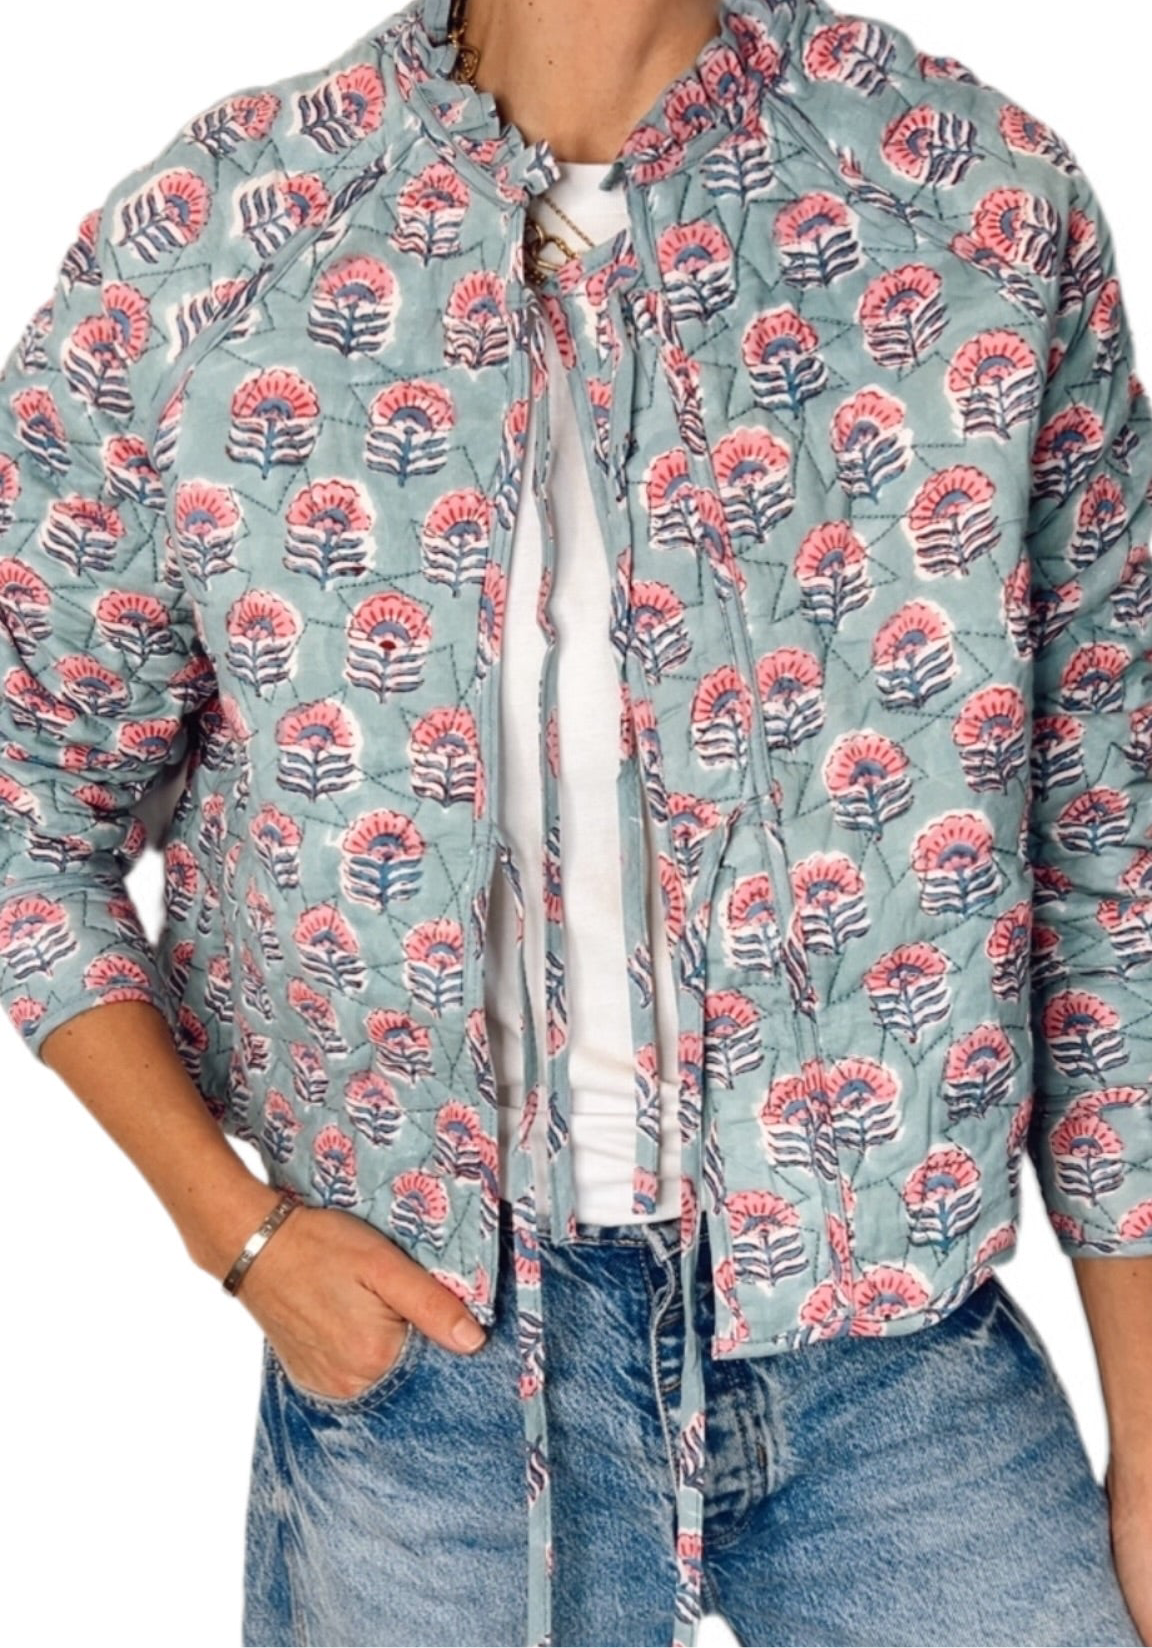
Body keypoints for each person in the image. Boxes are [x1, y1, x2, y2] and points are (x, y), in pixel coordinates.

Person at [0, 0, 1149, 1644]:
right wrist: (238, 1237)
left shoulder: (973, 205)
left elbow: (1109, 857)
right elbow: (26, 805)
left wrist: (1148, 1439)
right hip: (432, 1367)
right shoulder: (218, 245)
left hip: (896, 1363)